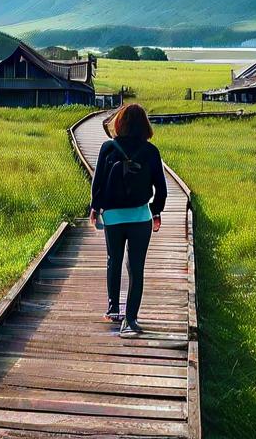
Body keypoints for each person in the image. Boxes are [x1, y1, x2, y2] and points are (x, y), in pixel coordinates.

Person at [89, 103, 167, 337]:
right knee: (136, 267)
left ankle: (113, 308)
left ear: (119, 123)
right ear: (145, 125)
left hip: (112, 217)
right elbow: (161, 188)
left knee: (114, 259)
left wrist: (95, 207)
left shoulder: (108, 148)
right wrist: (156, 211)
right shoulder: (151, 151)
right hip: (139, 216)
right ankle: (131, 319)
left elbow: (98, 182)